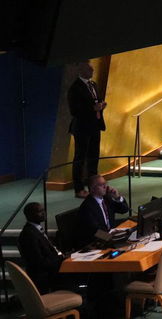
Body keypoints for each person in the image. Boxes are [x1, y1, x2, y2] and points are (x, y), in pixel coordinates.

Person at [68, 61, 107, 198]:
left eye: (92, 69)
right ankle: (78, 189)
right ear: (81, 70)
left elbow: (96, 100)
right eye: (89, 69)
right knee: (80, 158)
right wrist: (92, 109)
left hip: (95, 126)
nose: (92, 71)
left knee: (93, 157)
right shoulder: (75, 88)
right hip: (82, 128)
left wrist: (101, 105)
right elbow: (74, 110)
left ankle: (93, 186)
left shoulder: (93, 84)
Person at [17, 202, 65, 294]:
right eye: (40, 211)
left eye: (44, 210)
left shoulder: (36, 229)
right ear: (30, 215)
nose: (44, 213)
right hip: (45, 276)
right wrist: (61, 258)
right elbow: (39, 263)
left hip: (52, 268)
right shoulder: (29, 235)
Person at [78, 174, 129, 240]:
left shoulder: (107, 199)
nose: (105, 186)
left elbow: (124, 210)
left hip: (110, 234)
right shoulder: (87, 207)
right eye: (101, 185)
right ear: (92, 189)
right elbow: (95, 231)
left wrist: (117, 197)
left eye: (105, 183)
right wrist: (111, 238)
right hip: (96, 240)